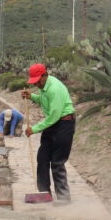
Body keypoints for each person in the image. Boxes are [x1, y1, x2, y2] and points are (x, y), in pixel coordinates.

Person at [21, 64, 75, 203]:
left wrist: (34, 129)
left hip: (64, 124)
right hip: (52, 124)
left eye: (38, 80)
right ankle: (44, 194)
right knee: (42, 158)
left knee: (57, 162)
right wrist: (32, 96)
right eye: (35, 82)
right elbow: (43, 100)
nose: (37, 84)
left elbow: (54, 115)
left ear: (45, 75)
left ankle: (64, 199)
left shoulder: (54, 89)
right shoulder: (44, 87)